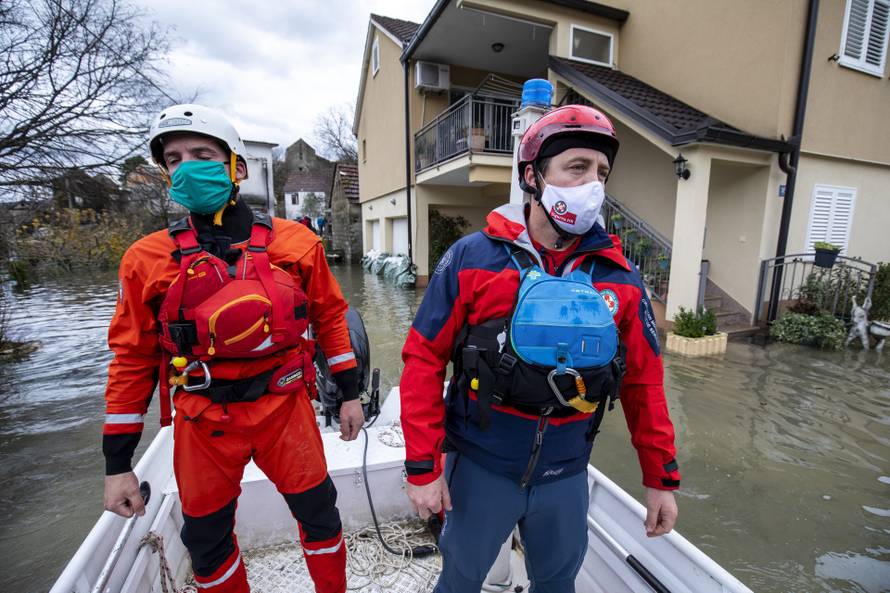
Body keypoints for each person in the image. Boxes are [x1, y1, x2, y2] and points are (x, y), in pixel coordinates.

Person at [400, 105, 681, 593]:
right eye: (577, 167)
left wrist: (661, 479)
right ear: (533, 176)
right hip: (481, 466)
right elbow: (423, 361)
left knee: (557, 582)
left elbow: (644, 382)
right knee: (461, 579)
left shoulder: (622, 280)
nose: (593, 183)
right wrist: (423, 467)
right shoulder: (471, 258)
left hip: (566, 473)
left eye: (601, 172)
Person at [101, 104, 364, 593]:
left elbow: (329, 317)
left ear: (236, 167)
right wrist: (118, 464)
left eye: (202, 153)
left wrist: (349, 394)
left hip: (285, 407)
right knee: (206, 539)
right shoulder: (145, 259)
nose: (187, 165)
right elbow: (132, 359)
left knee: (320, 513)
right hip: (203, 418)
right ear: (165, 174)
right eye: (174, 158)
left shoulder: (297, 242)